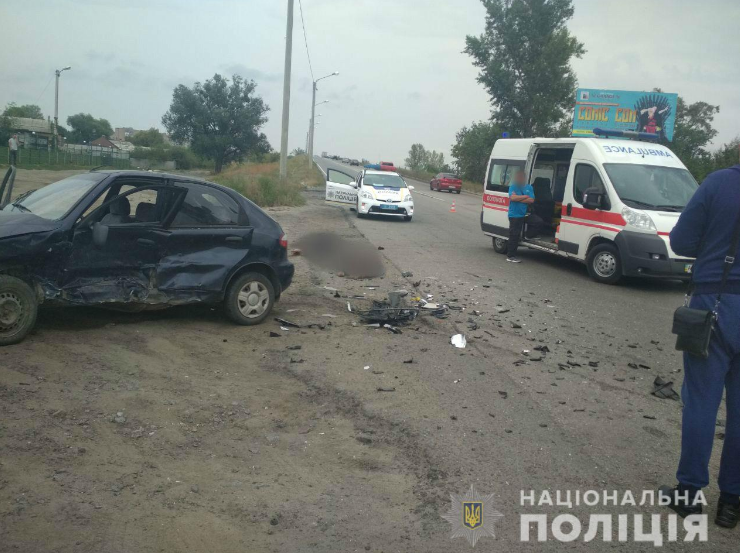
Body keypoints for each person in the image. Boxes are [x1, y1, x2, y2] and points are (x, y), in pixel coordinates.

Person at [661, 149, 740, 529]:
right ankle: (731, 503)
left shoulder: (720, 183)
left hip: (716, 303)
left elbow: (680, 241)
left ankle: (689, 494)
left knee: (702, 402)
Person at [506, 169, 535, 263]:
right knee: (514, 235)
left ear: (523, 178)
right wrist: (525, 196)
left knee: (537, 222)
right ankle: (510, 256)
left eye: (520, 177)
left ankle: (528, 236)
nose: (518, 179)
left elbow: (531, 200)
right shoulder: (513, 187)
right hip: (514, 215)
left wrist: (518, 198)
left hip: (524, 214)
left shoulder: (529, 187)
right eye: (517, 177)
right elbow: (512, 198)